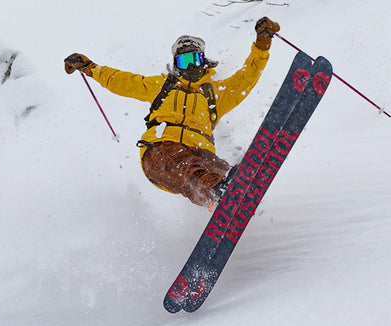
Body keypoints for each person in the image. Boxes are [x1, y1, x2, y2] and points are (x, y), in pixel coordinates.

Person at [64, 17, 281, 207]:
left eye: (194, 60)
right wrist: (90, 68)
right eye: (184, 61)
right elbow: (121, 81)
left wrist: (262, 46)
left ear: (203, 61)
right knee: (184, 163)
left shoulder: (214, 93)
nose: (190, 67)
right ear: (176, 64)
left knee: (215, 167)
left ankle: (232, 192)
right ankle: (219, 189)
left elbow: (246, 78)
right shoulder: (162, 86)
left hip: (200, 152)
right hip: (160, 151)